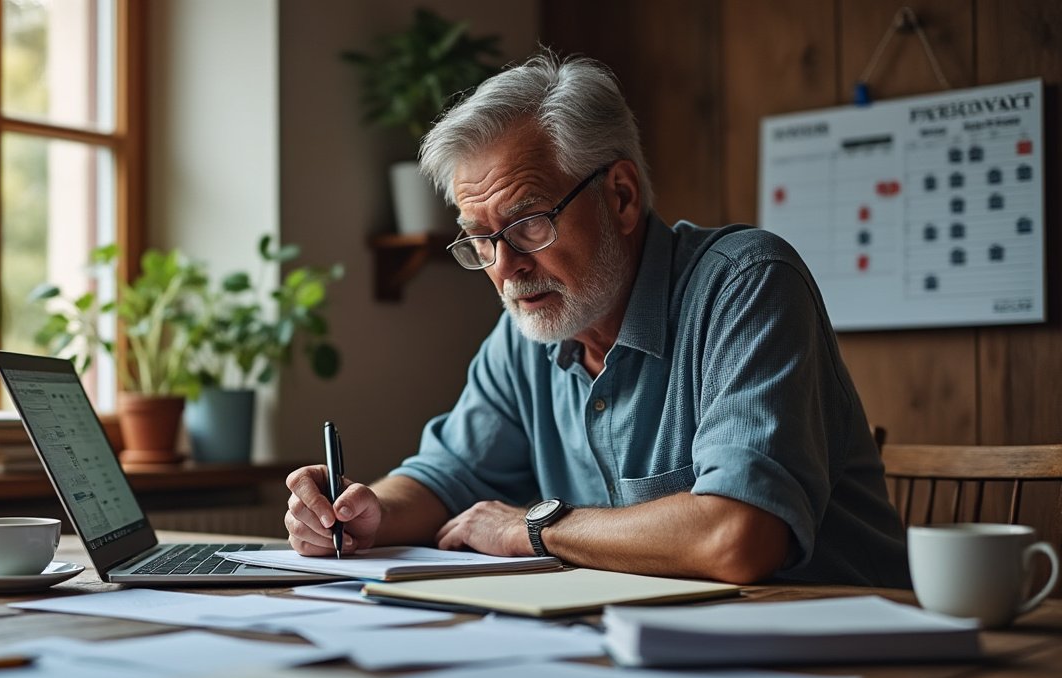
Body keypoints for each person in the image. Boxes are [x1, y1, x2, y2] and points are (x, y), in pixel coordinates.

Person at [285, 52, 909, 588]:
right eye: (481, 239)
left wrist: (536, 527)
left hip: (851, 663)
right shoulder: (529, 329)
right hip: (655, 652)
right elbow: (445, 477)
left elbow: (738, 537)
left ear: (621, 196)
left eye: (529, 223)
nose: (506, 268)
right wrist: (365, 512)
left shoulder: (745, 284)